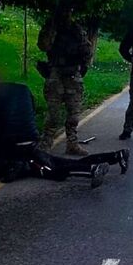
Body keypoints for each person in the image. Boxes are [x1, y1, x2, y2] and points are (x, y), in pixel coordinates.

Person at [0, 73, 129, 188]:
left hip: (13, 146)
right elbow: (31, 110)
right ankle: (114, 156)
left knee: (51, 170)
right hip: (31, 138)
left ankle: (91, 170)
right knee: (59, 161)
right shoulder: (23, 89)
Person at [37, 9, 93, 155]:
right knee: (53, 114)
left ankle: (72, 143)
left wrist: (83, 67)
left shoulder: (76, 30)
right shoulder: (51, 28)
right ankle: (45, 144)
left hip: (72, 74)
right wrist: (51, 27)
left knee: (73, 113)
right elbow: (43, 45)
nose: (65, 16)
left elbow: (87, 50)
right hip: (56, 73)